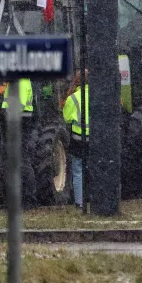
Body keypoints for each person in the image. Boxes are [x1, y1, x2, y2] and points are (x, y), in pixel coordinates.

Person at [61, 71, 89, 210]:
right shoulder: (97, 95)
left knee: (78, 171)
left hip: (78, 140)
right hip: (96, 140)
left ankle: (79, 202)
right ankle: (95, 198)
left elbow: (66, 118)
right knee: (94, 169)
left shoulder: (73, 98)